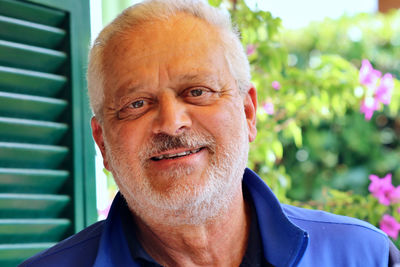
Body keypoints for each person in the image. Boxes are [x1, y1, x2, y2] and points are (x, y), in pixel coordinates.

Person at [21, 0, 400, 266]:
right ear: (103, 142)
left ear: (248, 112)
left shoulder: (365, 256)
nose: (171, 123)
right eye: (136, 104)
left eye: (197, 92)